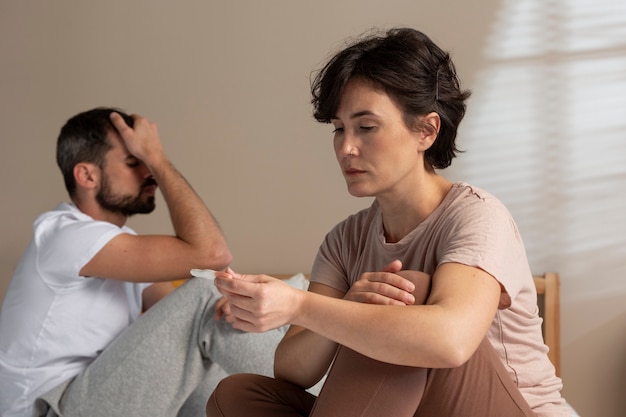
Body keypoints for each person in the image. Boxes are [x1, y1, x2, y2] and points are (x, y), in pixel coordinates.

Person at [206, 28, 571, 417]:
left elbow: (451, 341)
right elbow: (293, 370)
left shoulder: (477, 215)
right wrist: (346, 306)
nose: (346, 147)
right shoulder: (345, 240)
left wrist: (301, 305)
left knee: (402, 297)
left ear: (427, 131)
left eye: (366, 127)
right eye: (339, 129)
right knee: (237, 397)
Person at [0, 108, 287, 417]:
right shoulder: (65, 235)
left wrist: (231, 309)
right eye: (134, 161)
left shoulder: (118, 243)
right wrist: (159, 158)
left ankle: (313, 398)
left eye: (147, 161)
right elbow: (212, 254)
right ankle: (323, 401)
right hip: (52, 409)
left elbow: (176, 315)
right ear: (87, 175)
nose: (148, 171)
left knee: (217, 313)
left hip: (90, 398)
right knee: (205, 298)